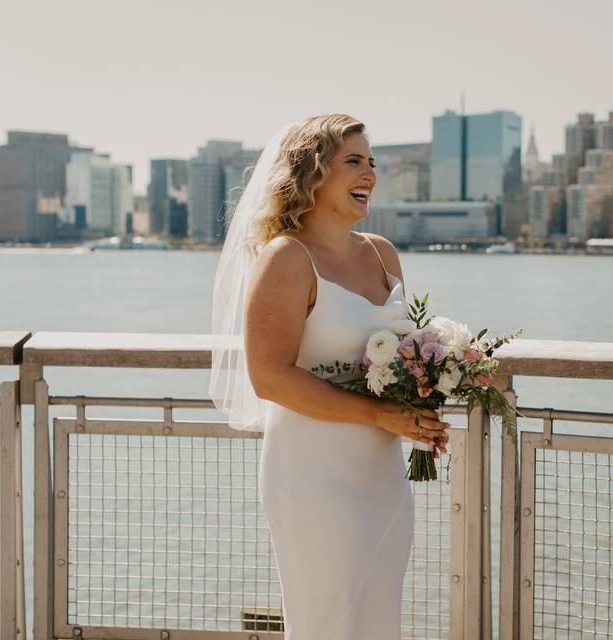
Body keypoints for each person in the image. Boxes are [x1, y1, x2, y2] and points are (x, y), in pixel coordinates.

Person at [209, 114, 449, 640]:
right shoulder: (285, 259)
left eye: (372, 163)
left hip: (382, 471)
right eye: (354, 162)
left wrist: (426, 392)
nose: (369, 174)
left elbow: (404, 352)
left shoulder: (382, 253)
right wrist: (381, 412)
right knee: (326, 621)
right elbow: (269, 377)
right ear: (312, 172)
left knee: (379, 617)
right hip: (313, 473)